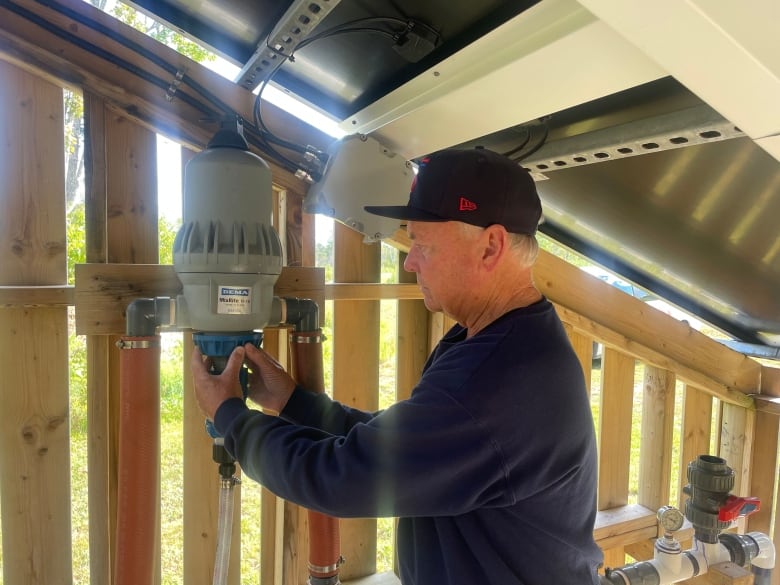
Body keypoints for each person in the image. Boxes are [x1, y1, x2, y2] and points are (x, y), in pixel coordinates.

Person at [191, 148, 604, 584]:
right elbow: (402, 447)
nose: (409, 262)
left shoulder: (499, 378)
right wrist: (294, 402)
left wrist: (231, 418)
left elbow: (342, 478)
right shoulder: (496, 338)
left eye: (423, 245)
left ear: (492, 246)